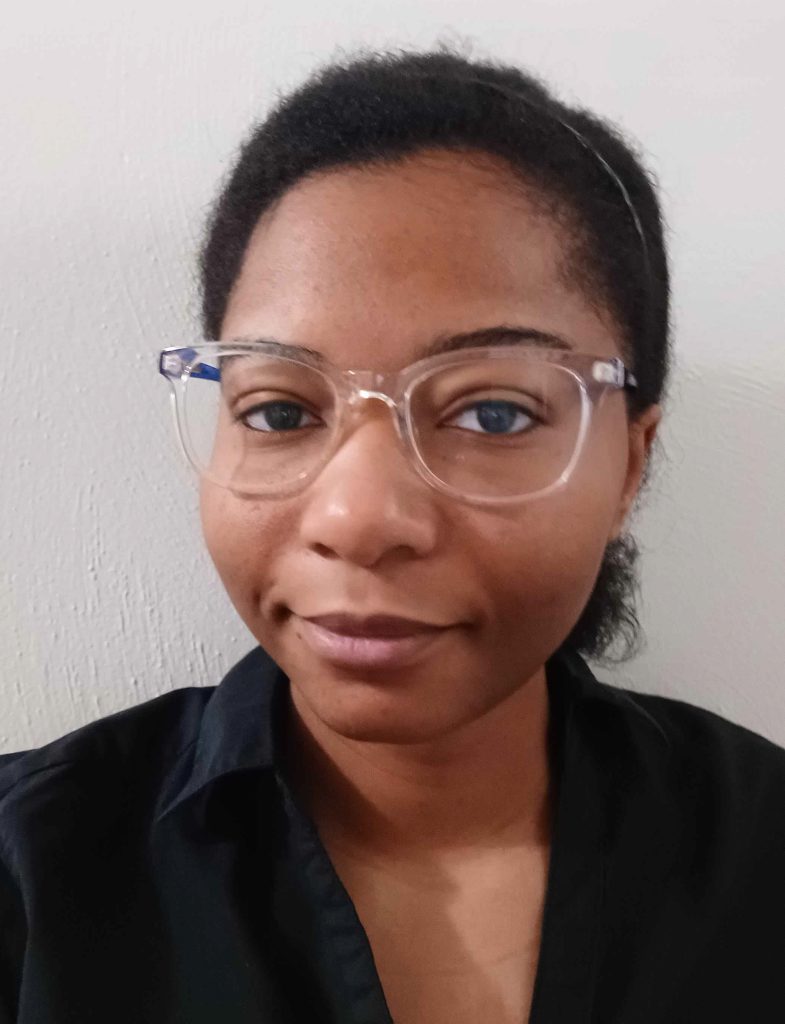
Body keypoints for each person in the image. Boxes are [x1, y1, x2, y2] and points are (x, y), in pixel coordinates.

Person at [1, 47, 784, 1024]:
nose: (357, 518)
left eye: (491, 413)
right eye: (280, 411)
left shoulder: (761, 858)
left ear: (629, 462)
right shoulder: (31, 875)